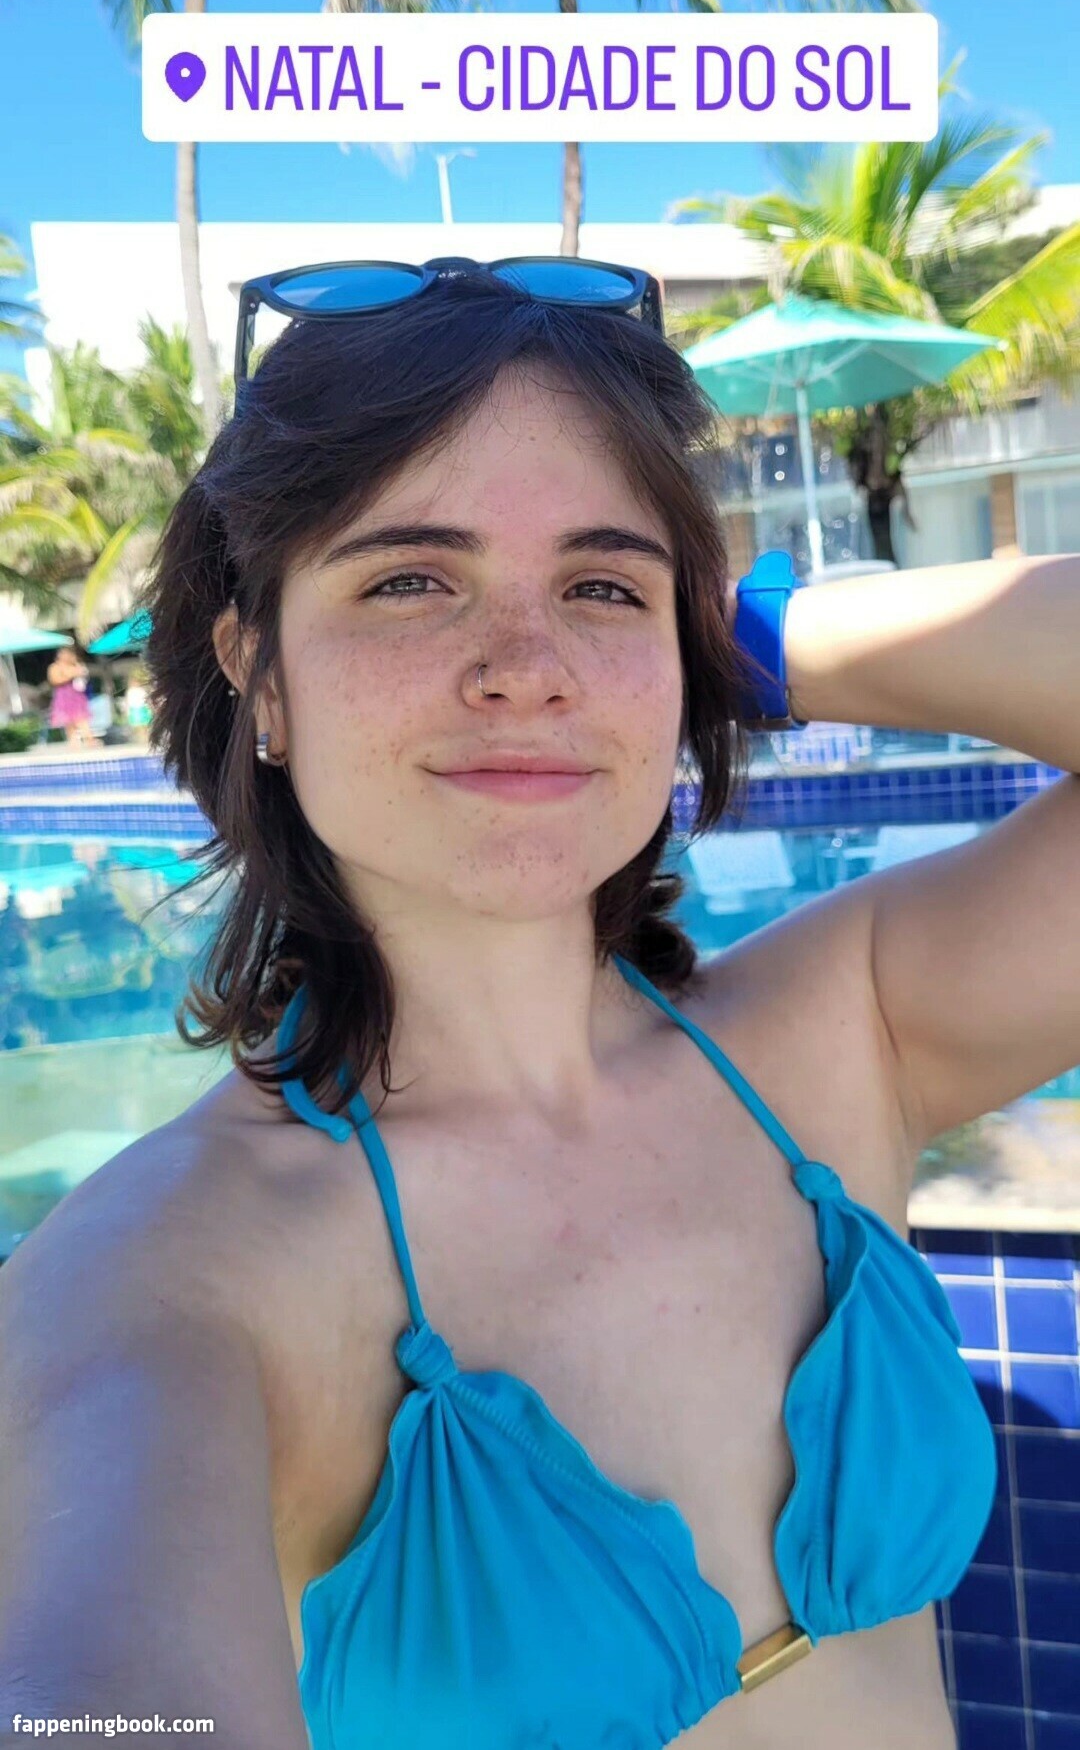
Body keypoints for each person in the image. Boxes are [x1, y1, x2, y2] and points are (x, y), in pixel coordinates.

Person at [1, 260, 1077, 1750]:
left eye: (600, 587)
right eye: (409, 579)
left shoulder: (846, 1030)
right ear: (262, 673)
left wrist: (744, 636)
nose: (528, 669)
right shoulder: (171, 1277)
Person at [45, 644, 94, 746]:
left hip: (77, 695)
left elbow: (83, 675)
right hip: (63, 695)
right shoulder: (54, 667)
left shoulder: (75, 665)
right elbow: (54, 680)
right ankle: (73, 740)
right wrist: (70, 676)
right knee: (68, 720)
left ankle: (89, 739)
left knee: (81, 717)